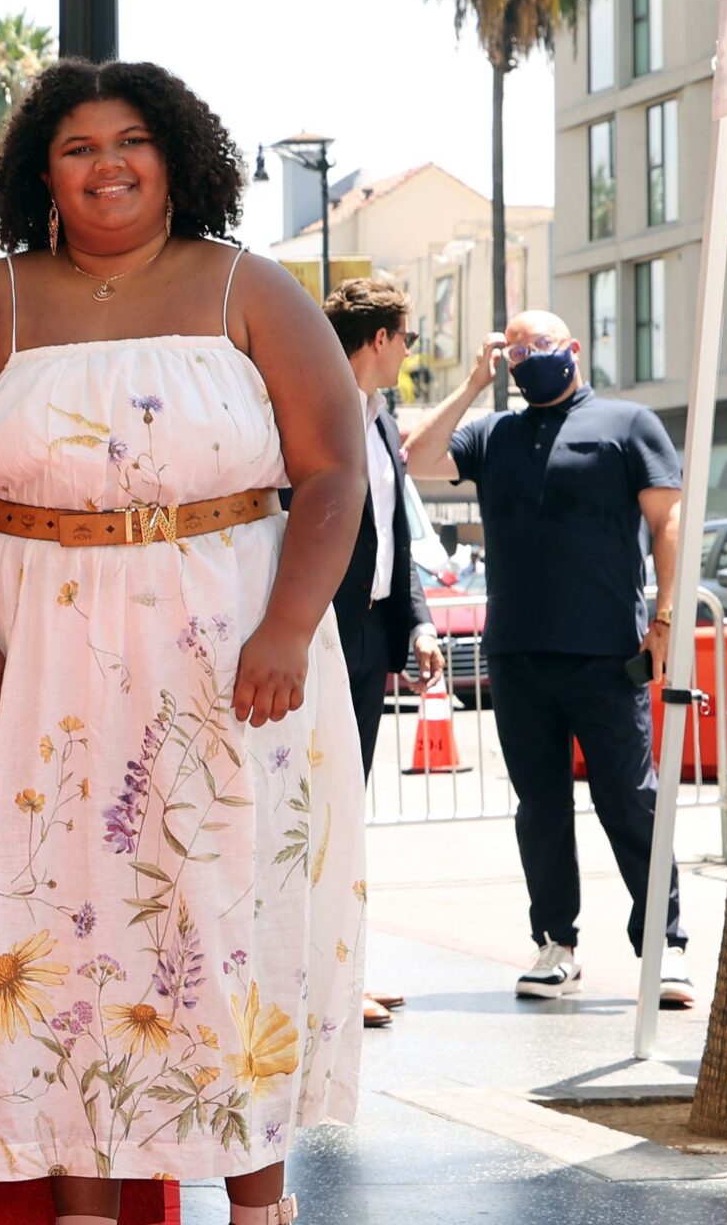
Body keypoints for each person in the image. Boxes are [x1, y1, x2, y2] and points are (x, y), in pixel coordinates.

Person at [0, 60, 366, 1225]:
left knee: (217, 909)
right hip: (31, 653)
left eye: (130, 142)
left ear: (176, 157)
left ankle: (257, 1203)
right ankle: (83, 1207)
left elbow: (331, 471)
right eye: (77, 146)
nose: (106, 165)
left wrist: (289, 627)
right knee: (54, 912)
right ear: (37, 171)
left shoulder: (247, 289)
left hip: (224, 651)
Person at [403, 311, 691, 1006]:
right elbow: (414, 457)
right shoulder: (494, 434)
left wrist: (666, 618)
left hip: (606, 655)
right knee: (541, 807)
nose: (531, 357)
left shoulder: (628, 426)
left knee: (631, 801)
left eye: (543, 345)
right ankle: (555, 945)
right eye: (518, 348)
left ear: (576, 349)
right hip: (518, 656)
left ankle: (664, 946)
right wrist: (475, 381)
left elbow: (669, 521)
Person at [320, 276, 442, 1028]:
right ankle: (325, 990)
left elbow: (396, 537)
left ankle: (346, 972)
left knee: (349, 813)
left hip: (370, 637)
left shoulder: (380, 421)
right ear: (381, 339)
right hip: (320, 635)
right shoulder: (313, 407)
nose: (408, 352)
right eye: (409, 338)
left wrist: (420, 622)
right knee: (322, 814)